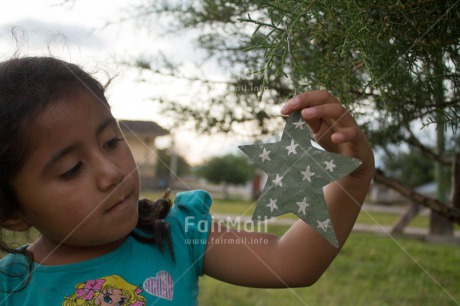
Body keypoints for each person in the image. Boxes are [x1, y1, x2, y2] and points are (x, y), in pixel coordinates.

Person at [0, 56, 375, 305]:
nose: (111, 172)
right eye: (71, 169)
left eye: (112, 142)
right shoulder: (10, 289)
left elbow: (291, 261)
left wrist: (354, 176)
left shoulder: (179, 234)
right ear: (13, 211)